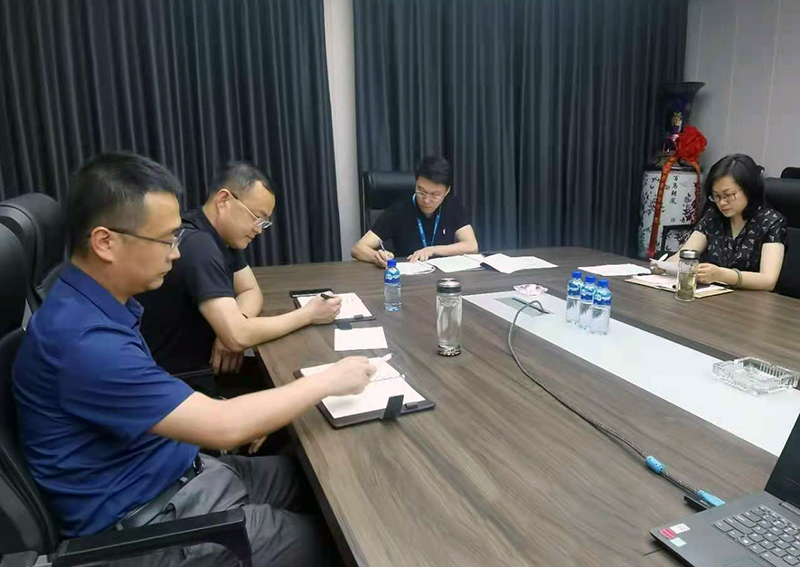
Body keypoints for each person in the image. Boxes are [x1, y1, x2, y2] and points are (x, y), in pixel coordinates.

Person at [13, 152, 374, 566]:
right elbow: (224, 427)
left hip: (182, 471)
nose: (176, 254)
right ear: (105, 242)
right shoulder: (83, 342)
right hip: (155, 524)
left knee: (334, 481)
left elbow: (153, 403)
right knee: (345, 542)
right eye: (167, 240)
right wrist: (329, 379)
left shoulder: (93, 303)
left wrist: (231, 415)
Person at [137, 162, 341, 396]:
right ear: (224, 200)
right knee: (304, 389)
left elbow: (250, 291)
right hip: (179, 384)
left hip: (203, 368)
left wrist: (234, 324)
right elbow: (238, 336)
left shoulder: (219, 235)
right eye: (257, 217)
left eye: (264, 222)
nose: (259, 229)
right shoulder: (199, 246)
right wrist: (309, 314)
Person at [656, 154, 786, 291]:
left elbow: (768, 280)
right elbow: (684, 255)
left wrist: (722, 275)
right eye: (716, 196)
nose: (722, 203)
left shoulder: (770, 221)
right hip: (712, 296)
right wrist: (663, 267)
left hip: (751, 300)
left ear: (749, 189)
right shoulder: (714, 216)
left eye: (728, 195)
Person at [351, 156, 479, 267]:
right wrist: (376, 257)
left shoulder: (452, 206)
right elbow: (358, 249)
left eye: (435, 195)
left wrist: (432, 250)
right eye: (421, 191)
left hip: (444, 276)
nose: (426, 200)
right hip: (409, 277)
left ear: (447, 191)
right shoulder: (399, 210)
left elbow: (472, 246)